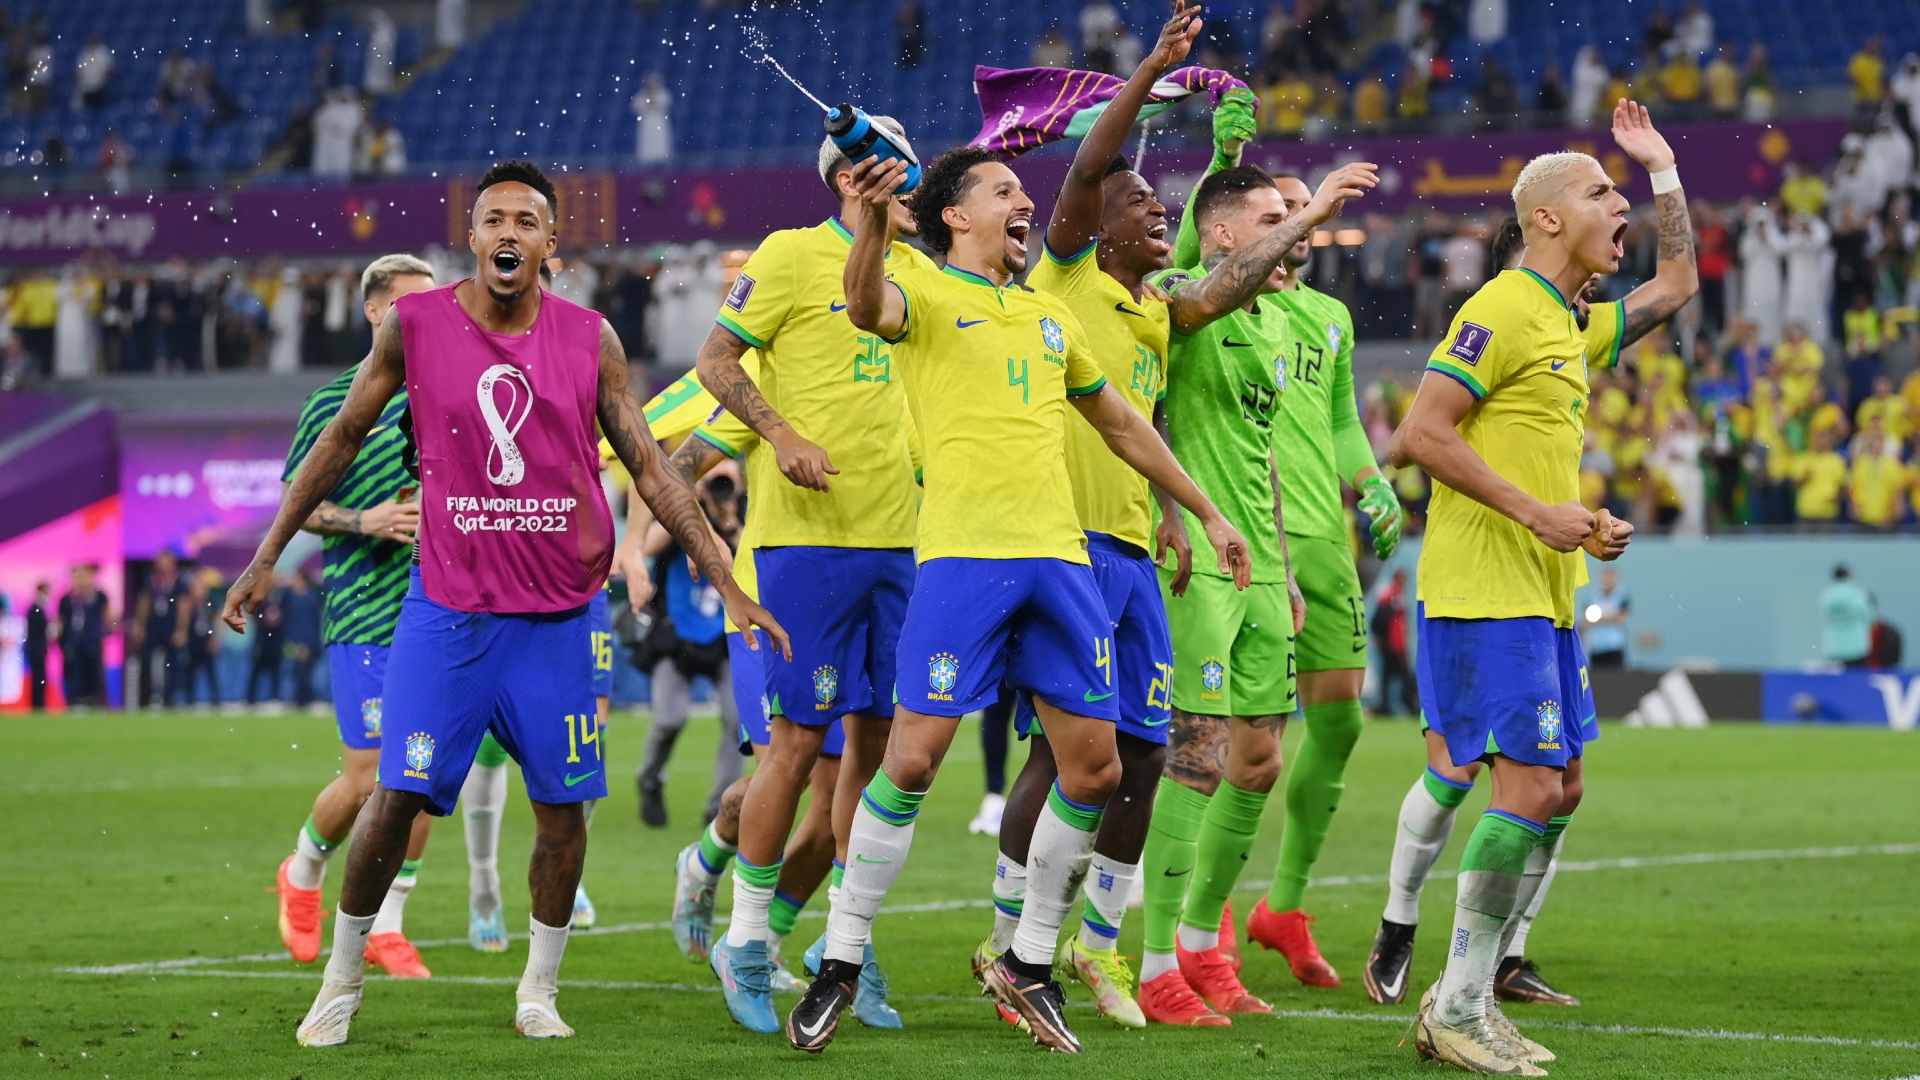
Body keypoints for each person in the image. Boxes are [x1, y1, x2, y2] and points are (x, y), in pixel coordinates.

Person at [226, 160, 785, 1047]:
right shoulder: (414, 326)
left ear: (551, 245)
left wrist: (725, 580)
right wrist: (266, 555)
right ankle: (340, 980)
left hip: (556, 625)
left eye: (529, 221)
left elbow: (649, 466)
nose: (510, 234)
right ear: (474, 239)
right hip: (447, 617)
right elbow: (340, 439)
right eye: (494, 220)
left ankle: (538, 988)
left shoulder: (589, 338)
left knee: (563, 814)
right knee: (393, 797)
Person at [790, 132, 1256, 1055]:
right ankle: (840, 956)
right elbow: (861, 300)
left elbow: (1121, 421)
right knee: (914, 762)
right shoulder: (921, 287)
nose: (1024, 204)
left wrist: (1204, 511)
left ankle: (1031, 960)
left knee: (1099, 768)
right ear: (955, 214)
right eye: (1004, 191)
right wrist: (880, 220)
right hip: (964, 559)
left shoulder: (1050, 314)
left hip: (1062, 560)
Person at [983, 11, 1378, 1032]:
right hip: (1064, 544)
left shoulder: (1159, 310)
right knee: (1070, 757)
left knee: (1151, 756)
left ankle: (1119, 948)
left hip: (1154, 546)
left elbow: (1200, 336)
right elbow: (1099, 175)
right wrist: (1156, 72)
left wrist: (1189, 512)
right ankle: (1016, 938)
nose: (1156, 215)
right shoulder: (1070, 273)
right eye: (1140, 205)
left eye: (1165, 206)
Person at [1383, 99, 1694, 1073]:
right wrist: (1536, 514)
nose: (1621, 207)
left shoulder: (1569, 321)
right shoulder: (1502, 309)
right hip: (1486, 587)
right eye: (1604, 192)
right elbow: (1419, 435)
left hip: (1545, 591)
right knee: (1523, 784)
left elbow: (1679, 280)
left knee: (1562, 787)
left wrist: (1665, 169)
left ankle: (1464, 992)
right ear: (1548, 218)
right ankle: (1459, 1002)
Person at [690, 111, 933, 1038]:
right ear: (853, 178)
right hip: (808, 545)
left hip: (907, 546)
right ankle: (746, 940)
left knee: (872, 763)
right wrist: (783, 432)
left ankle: (844, 947)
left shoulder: (918, 273)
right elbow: (715, 362)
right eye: (895, 170)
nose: (911, 184)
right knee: (793, 748)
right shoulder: (789, 253)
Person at [1236, 168, 1404, 990]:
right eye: (1282, 212)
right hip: (1247, 542)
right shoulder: (1226, 304)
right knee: (1239, 745)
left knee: (1337, 727)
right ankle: (1206, 918)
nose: (1298, 227)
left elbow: (1340, 422)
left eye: (1304, 214)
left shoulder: (1330, 318)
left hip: (1325, 544)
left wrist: (1370, 480)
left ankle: (1285, 909)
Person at [271, 254, 441, 983]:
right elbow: (295, 507)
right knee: (371, 776)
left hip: (440, 609)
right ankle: (304, 869)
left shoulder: (448, 396)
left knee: (428, 774)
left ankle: (389, 926)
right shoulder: (334, 403)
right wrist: (365, 519)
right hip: (365, 612)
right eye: (413, 305)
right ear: (376, 312)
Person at [131, 550, 188, 708]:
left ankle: (169, 698)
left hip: (170, 627)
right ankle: (149, 697)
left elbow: (183, 607)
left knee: (172, 664)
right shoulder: (151, 580)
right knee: (148, 661)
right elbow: (143, 604)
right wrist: (140, 626)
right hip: (153, 627)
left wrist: (181, 629)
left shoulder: (179, 582)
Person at [57, 565, 111, 709]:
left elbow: (108, 617)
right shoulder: (67, 599)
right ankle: (74, 699)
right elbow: (61, 620)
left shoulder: (98, 596)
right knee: (73, 670)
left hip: (92, 639)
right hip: (72, 640)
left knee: (93, 671)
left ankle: (94, 699)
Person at [1821, 565, 1876, 667]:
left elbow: (1825, 615)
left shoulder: (1827, 594)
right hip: (1857, 645)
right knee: (1856, 679)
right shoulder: (1858, 593)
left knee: (1837, 680)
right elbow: (1868, 616)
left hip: (1834, 646)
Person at [1583, 566, 1629, 668]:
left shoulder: (1622, 597)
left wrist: (1599, 618)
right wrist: (1609, 617)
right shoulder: (1592, 597)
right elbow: (1587, 619)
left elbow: (1620, 618)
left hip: (1614, 647)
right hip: (1596, 647)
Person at [24, 582, 50, 710]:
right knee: (38, 678)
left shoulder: (39, 607)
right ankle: (38, 704)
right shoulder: (35, 608)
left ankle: (39, 704)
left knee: (39, 677)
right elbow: (39, 629)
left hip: (37, 649)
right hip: (36, 649)